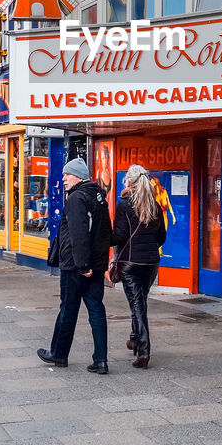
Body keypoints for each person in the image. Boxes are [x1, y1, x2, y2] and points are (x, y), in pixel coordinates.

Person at [38, 158, 112, 374]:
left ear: (78, 176)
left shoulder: (76, 198)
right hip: (96, 265)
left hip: (75, 266)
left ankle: (59, 354)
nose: (63, 179)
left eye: (67, 175)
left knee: (68, 310)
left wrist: (82, 265)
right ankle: (101, 360)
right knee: (96, 310)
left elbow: (78, 235)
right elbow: (105, 232)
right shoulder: (98, 196)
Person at [111, 164, 167, 369]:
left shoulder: (124, 205)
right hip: (151, 263)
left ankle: (143, 350)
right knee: (140, 302)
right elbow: (162, 236)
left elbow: (119, 236)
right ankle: (134, 337)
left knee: (137, 305)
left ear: (129, 182)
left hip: (130, 263)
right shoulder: (155, 204)